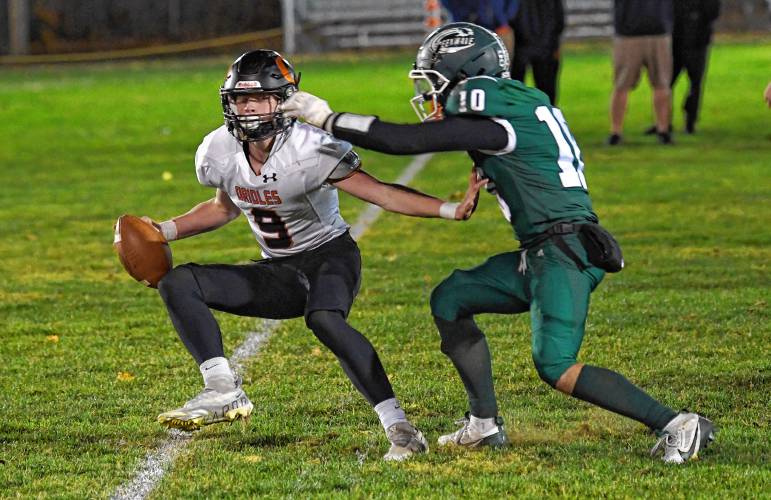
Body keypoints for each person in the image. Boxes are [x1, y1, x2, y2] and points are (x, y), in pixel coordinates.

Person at [281, 22, 716, 463]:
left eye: (436, 80)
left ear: (464, 74)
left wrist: (325, 117)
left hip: (564, 252)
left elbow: (402, 140)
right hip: (544, 248)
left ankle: (678, 423)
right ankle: (484, 424)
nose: (432, 94)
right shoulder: (517, 106)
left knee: (556, 365)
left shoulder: (498, 114)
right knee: (451, 298)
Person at [144, 49, 486, 462]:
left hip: (331, 257)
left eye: (259, 98)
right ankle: (222, 388)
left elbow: (381, 192)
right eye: (239, 99)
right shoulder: (218, 149)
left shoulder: (312, 147)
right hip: (279, 270)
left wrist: (450, 208)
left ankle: (400, 428)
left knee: (324, 319)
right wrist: (163, 230)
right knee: (177, 282)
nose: (247, 107)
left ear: (283, 101)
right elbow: (223, 207)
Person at [645, 0, 721, 134]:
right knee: (666, 82)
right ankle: (663, 122)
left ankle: (690, 121)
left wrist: (696, 19)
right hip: (674, 40)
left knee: (694, 83)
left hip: (697, 40)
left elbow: (713, 11)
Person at [608, 0, 675, 145]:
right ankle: (615, 131)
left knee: (662, 84)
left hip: (658, 30)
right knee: (621, 85)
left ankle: (663, 129)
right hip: (628, 32)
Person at [509, 0, 564, 105]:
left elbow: (511, 15)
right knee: (546, 91)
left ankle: (515, 115)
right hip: (544, 45)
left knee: (516, 88)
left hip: (524, 43)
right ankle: (548, 115)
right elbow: (559, 19)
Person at [441, 0, 519, 57]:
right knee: (468, 68)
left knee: (502, 69)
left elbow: (512, 4)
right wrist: (461, 21)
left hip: (501, 30)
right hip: (467, 31)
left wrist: (503, 22)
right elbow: (447, 3)